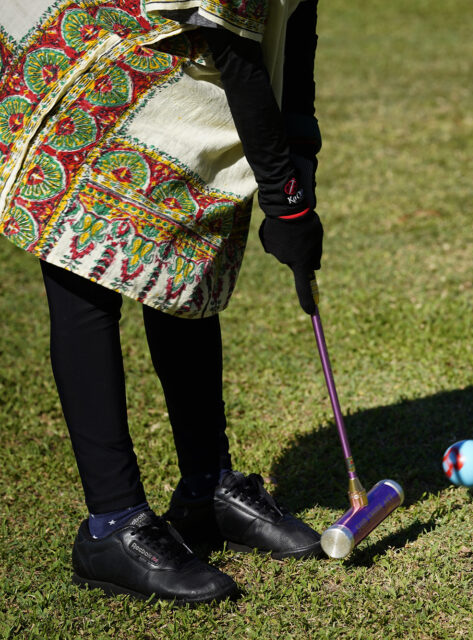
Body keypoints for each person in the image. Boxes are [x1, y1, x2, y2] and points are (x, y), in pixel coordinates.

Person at [0, 0, 325, 603]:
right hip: (96, 55)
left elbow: (296, 20)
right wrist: (284, 201)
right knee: (85, 279)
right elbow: (232, 43)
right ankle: (111, 524)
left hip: (189, 74)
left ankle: (206, 488)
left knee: (187, 272)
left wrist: (302, 148)